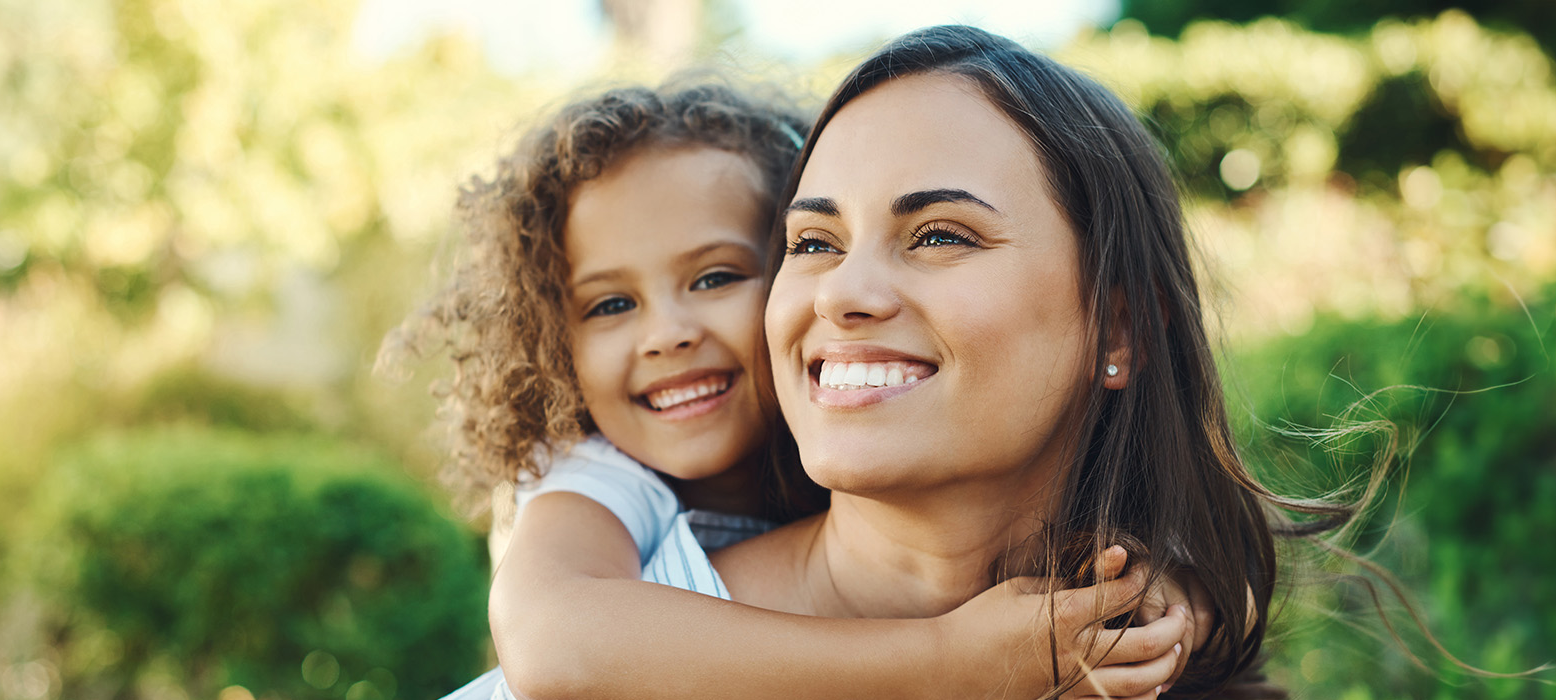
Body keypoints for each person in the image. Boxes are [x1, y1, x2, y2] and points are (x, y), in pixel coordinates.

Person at [388, 76, 1211, 700]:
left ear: (1122, 328)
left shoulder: (815, 445)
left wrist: (1147, 597)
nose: (667, 333)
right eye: (817, 242)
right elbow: (553, 640)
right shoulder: (601, 479)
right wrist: (955, 661)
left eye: (715, 277)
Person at [696, 25, 1329, 698]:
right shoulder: (628, 612)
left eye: (939, 235)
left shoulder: (1165, 650)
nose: (841, 293)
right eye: (815, 242)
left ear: (1121, 328)